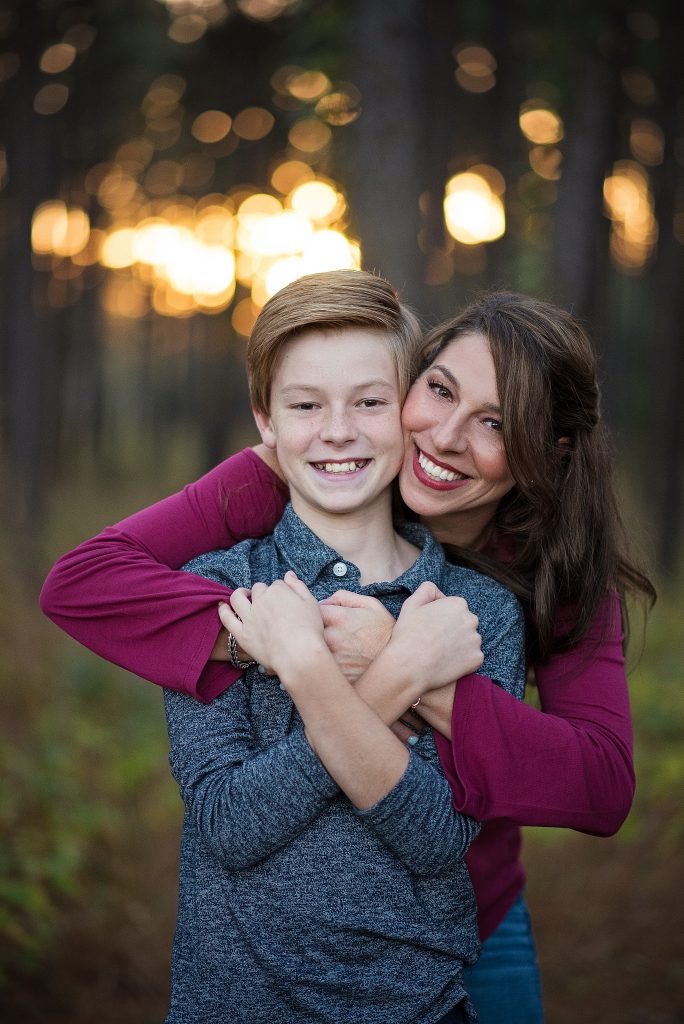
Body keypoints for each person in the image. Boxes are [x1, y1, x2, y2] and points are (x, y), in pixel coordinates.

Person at [40, 286, 655, 1024]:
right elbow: (82, 585)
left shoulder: (543, 577)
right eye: (440, 391)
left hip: (460, 928)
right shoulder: (289, 476)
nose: (446, 437)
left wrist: (408, 673)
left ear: (546, 451)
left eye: (495, 423)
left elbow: (598, 784)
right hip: (248, 966)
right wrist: (268, 642)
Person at [93, 270, 529, 1022]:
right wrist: (390, 688)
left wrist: (304, 666)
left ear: (410, 415)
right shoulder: (223, 591)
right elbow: (228, 823)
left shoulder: (472, 612)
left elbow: (436, 838)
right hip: (233, 1003)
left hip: (418, 1006)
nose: (336, 431)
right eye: (305, 406)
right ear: (266, 422)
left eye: (369, 401)